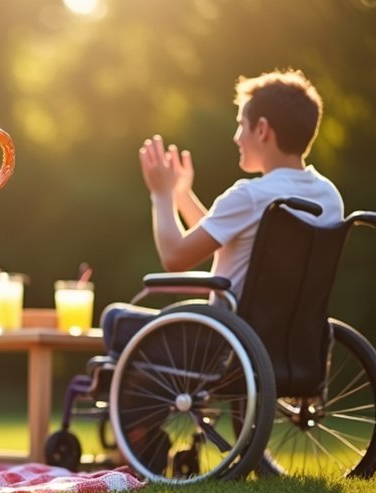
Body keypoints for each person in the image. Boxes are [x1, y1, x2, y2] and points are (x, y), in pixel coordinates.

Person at [101, 68, 345, 353]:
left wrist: (161, 194)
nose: (236, 136)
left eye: (242, 124)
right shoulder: (328, 197)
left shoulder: (251, 195)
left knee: (114, 319)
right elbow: (233, 244)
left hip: (225, 345)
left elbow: (174, 257)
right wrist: (181, 195)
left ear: (263, 129)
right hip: (294, 348)